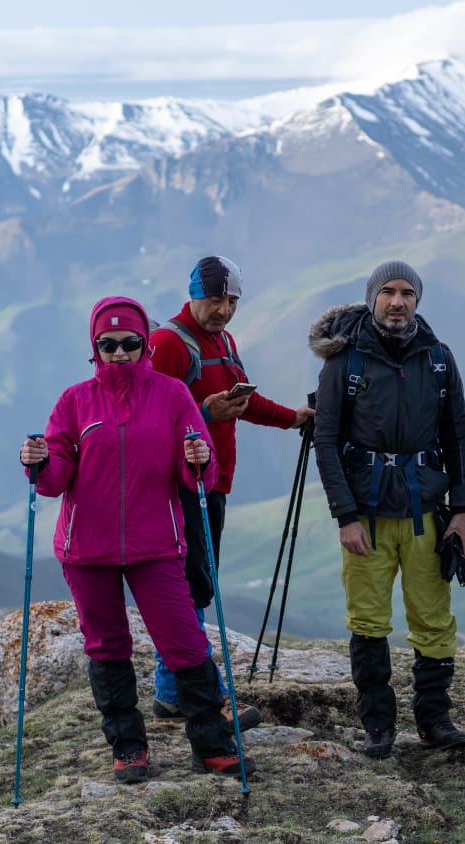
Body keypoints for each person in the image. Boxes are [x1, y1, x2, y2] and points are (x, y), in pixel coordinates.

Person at [18, 296, 254, 782]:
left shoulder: (172, 395)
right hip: (87, 550)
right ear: (94, 348)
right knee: (106, 646)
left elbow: (199, 472)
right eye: (108, 345)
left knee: (185, 643)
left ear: (146, 344)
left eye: (130, 342)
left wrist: (198, 460)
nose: (120, 352)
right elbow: (56, 478)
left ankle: (212, 745)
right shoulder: (74, 401)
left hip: (157, 545)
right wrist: (38, 463)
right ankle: (128, 747)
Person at [310, 260, 465, 758]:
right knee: (368, 619)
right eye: (388, 292)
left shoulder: (439, 359)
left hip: (426, 511)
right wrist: (345, 516)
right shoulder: (344, 362)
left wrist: (462, 513)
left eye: (407, 293)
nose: (398, 301)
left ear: (417, 300)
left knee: (433, 618)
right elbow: (325, 440)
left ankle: (434, 720)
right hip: (367, 515)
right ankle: (378, 725)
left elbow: (457, 437)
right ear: (372, 298)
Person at [148, 255, 315, 728]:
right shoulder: (168, 344)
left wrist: (292, 418)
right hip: (179, 487)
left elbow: (243, 401)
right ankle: (195, 694)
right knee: (189, 588)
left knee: (195, 585)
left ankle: (171, 693)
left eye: (232, 301)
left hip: (212, 483)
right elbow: (149, 421)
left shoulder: (222, 340)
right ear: (194, 295)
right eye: (215, 299)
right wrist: (205, 413)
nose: (223, 310)